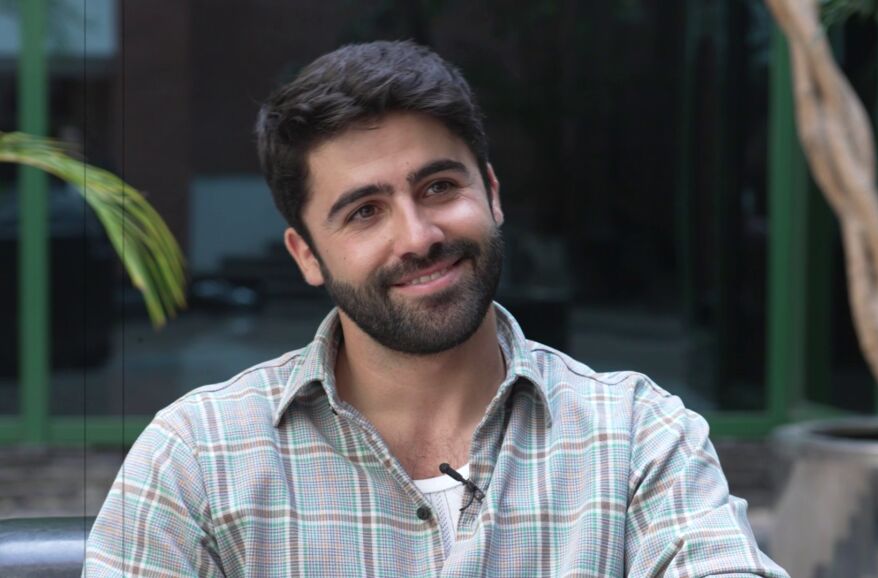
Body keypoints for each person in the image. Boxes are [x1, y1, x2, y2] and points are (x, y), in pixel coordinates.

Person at [84, 40, 789, 577]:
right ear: (306, 254)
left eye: (439, 187)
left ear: (492, 194)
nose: (418, 237)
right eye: (364, 211)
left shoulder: (637, 437)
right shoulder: (198, 458)